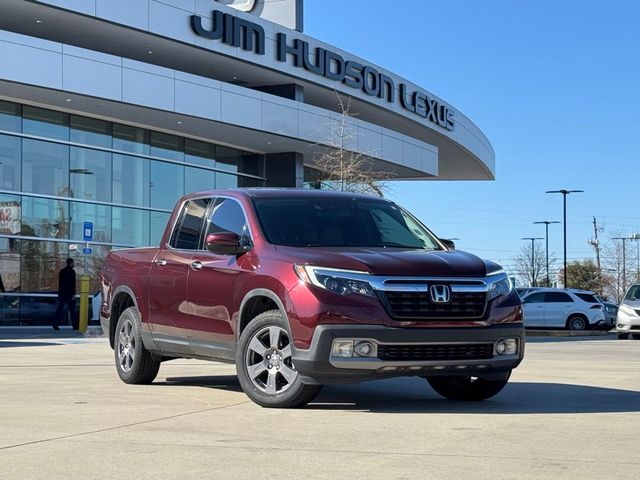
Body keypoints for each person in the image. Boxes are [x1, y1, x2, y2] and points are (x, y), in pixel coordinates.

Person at [54, 258, 77, 331]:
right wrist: (73, 294)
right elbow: (73, 284)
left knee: (60, 309)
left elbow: (60, 283)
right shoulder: (72, 272)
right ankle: (75, 325)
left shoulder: (62, 271)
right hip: (69, 293)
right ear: (71, 263)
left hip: (62, 293)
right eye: (73, 263)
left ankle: (56, 324)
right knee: (72, 310)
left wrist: (60, 292)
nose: (74, 264)